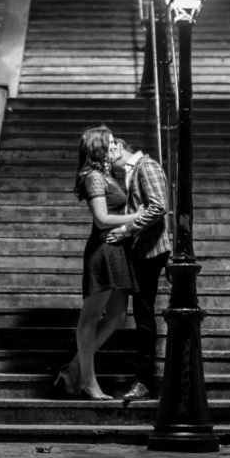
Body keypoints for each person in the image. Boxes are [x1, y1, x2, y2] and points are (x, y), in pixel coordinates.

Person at [56, 126, 144, 400]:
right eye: (110, 141)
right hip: (103, 250)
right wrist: (136, 217)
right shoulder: (94, 176)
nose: (115, 144)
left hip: (117, 249)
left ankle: (72, 369)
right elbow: (101, 219)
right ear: (98, 147)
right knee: (91, 317)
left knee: (117, 316)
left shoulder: (106, 174)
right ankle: (87, 382)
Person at [105, 138, 170, 402]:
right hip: (141, 251)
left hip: (150, 251)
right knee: (141, 314)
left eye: (109, 149)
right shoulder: (132, 171)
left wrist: (126, 229)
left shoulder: (147, 166)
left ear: (119, 147)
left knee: (144, 315)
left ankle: (144, 380)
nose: (106, 156)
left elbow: (158, 206)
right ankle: (143, 378)